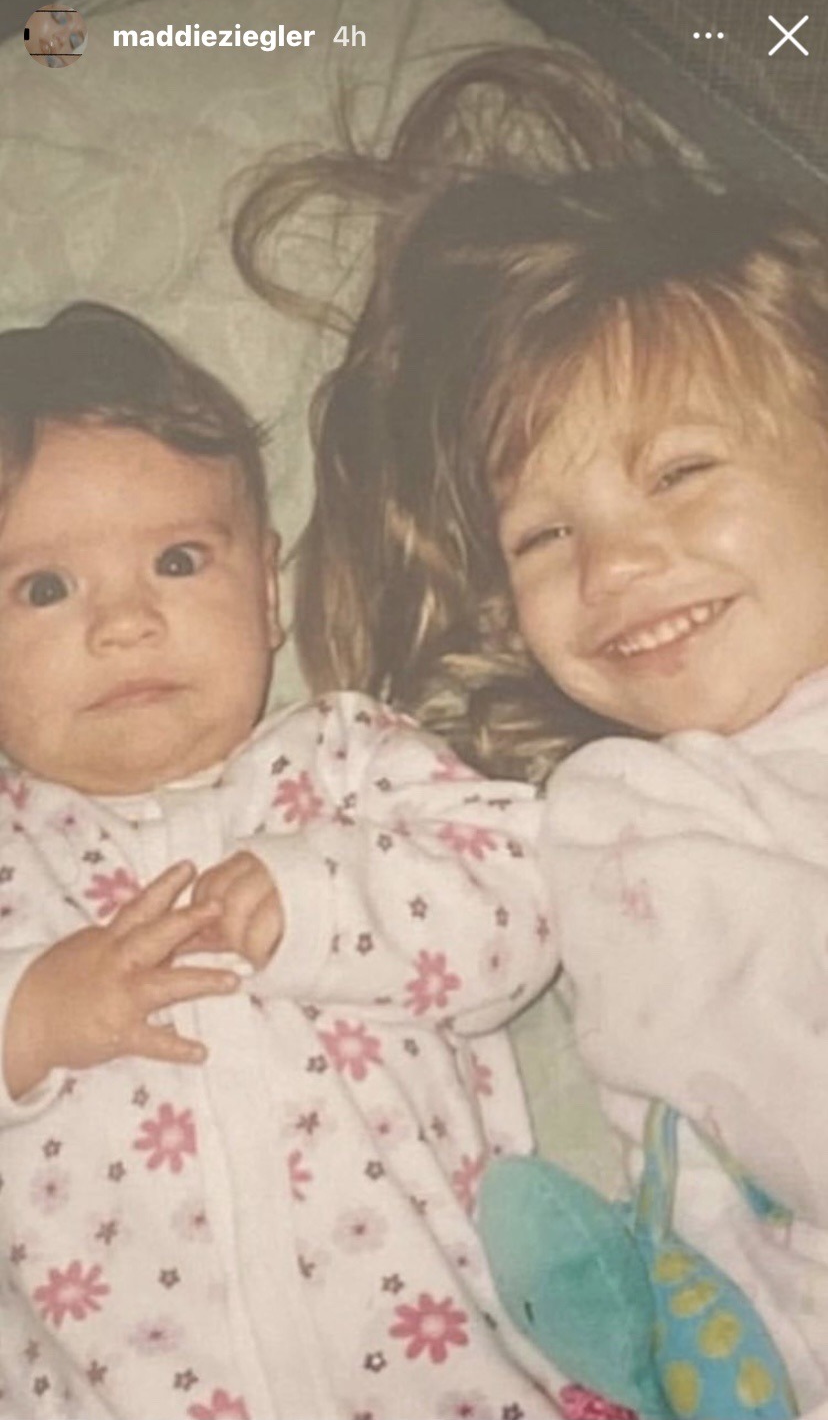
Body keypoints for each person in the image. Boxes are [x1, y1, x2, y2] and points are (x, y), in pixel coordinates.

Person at [232, 51, 828, 1413]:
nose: (613, 564)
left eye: (680, 471)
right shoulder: (628, 817)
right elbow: (773, 1076)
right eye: (546, 536)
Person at [0, 301, 573, 1420]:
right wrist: (31, 1012)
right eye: (44, 587)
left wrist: (324, 897)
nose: (124, 623)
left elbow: (525, 901)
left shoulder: (346, 761)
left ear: (266, 589)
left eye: (177, 561)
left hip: (440, 1373)